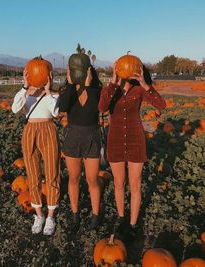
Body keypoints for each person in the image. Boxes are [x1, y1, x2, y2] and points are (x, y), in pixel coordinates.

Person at [98, 63, 166, 237]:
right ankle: (121, 217)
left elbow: (162, 105)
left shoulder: (139, 90)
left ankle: (133, 224)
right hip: (116, 141)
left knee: (135, 184)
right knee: (119, 183)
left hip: (136, 140)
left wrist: (144, 84)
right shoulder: (112, 89)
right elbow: (102, 108)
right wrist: (112, 83)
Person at [11, 69, 60, 236]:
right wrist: (24, 87)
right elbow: (14, 109)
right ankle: (39, 214)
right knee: (33, 174)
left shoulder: (52, 94)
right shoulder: (24, 93)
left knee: (52, 172)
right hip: (30, 130)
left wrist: (48, 90)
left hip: (48, 129)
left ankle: (51, 216)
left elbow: (55, 112)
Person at [58, 65, 102, 230]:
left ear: (89, 72)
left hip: (92, 138)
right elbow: (62, 108)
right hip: (73, 138)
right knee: (74, 178)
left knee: (92, 179)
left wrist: (89, 87)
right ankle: (75, 214)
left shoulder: (96, 91)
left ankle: (95, 215)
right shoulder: (67, 91)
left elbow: (96, 109)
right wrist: (70, 85)